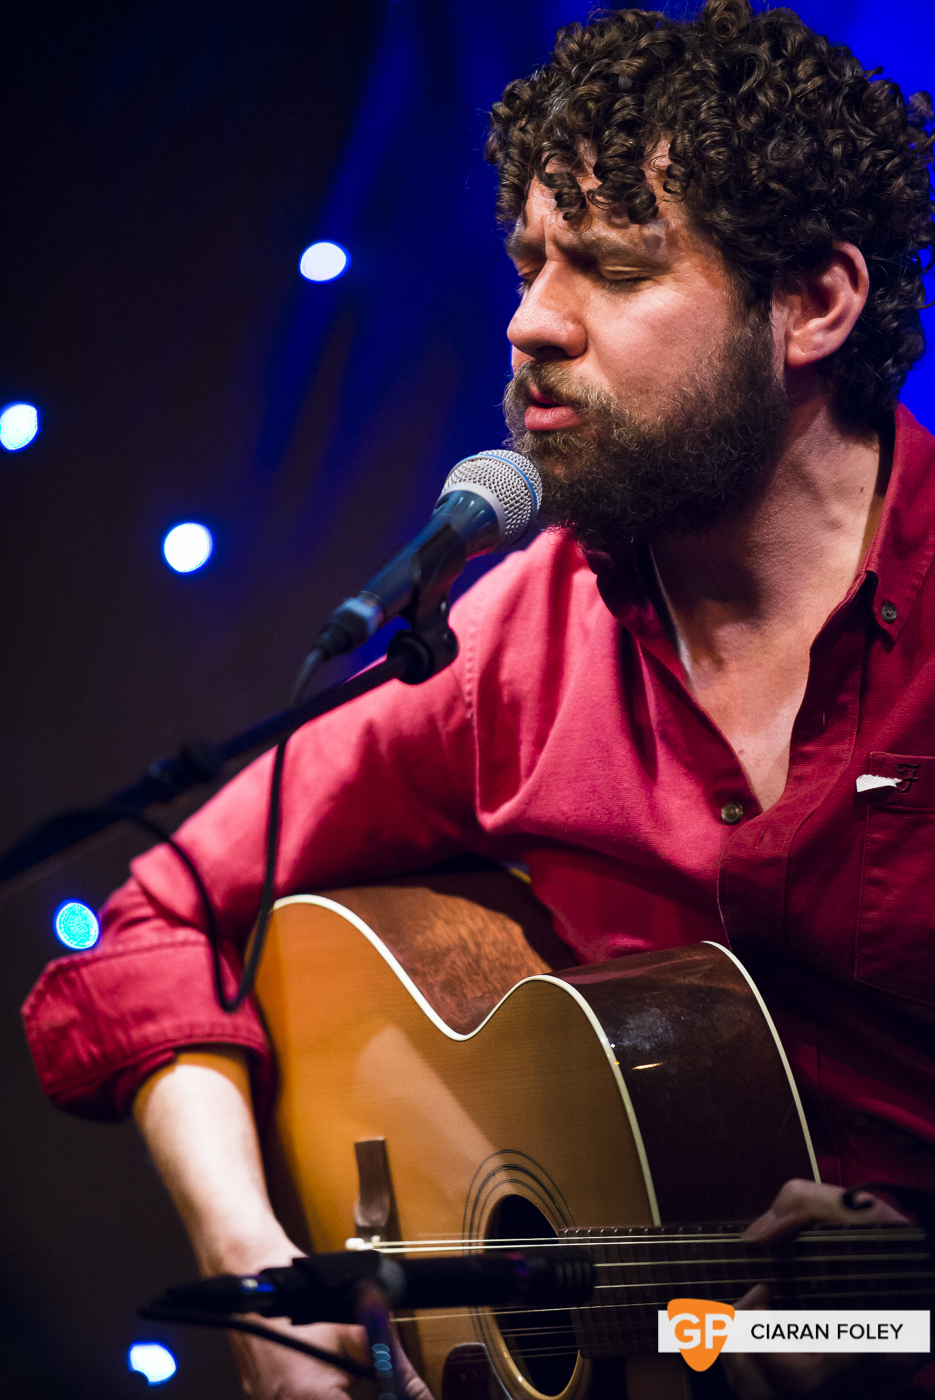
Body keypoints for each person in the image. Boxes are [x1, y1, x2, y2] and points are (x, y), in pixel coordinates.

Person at [22, 1, 935, 1396]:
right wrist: (254, 1271)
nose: (531, 321)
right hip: (677, 1350)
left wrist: (876, 1311)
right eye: (528, 261)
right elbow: (148, 924)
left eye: (614, 271)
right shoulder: (523, 633)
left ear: (816, 304)